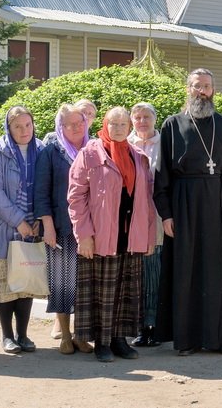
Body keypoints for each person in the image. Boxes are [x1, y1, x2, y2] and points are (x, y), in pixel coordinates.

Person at [154, 69, 222, 355]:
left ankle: (218, 337)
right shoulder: (172, 125)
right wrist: (166, 214)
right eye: (197, 86)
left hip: (218, 201)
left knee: (218, 269)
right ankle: (186, 339)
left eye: (207, 86)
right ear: (188, 89)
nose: (202, 92)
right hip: (184, 203)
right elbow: (161, 176)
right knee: (186, 270)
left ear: (213, 90)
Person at [69, 107, 157, 362]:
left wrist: (148, 237)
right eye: (113, 124)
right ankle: (102, 343)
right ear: (104, 126)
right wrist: (83, 235)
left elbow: (147, 200)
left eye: (122, 124)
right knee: (103, 292)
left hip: (130, 235)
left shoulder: (138, 156)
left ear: (129, 128)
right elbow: (76, 197)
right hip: (100, 235)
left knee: (125, 289)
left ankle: (120, 340)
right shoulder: (90, 154)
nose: (118, 129)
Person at [0, 106, 45, 354]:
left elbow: (45, 186)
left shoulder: (41, 149)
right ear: (9, 127)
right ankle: (7, 335)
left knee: (26, 279)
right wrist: (19, 220)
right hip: (3, 226)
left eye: (28, 125)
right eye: (17, 126)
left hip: (33, 225)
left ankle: (24, 335)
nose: (24, 130)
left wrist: (40, 218)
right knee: (4, 284)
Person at [34, 103, 93, 355]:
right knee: (61, 282)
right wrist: (47, 225)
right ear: (61, 127)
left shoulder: (94, 148)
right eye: (70, 124)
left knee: (84, 283)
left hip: (91, 228)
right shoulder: (51, 152)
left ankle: (82, 335)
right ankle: (65, 336)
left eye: (80, 122)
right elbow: (41, 192)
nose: (76, 127)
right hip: (60, 227)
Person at [128, 102, 163, 348]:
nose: (142, 121)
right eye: (137, 117)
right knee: (137, 274)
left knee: (155, 272)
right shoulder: (125, 144)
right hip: (132, 220)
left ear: (154, 119)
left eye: (146, 117)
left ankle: (156, 325)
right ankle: (140, 326)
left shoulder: (166, 144)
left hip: (159, 217)